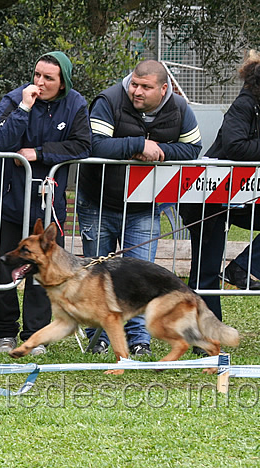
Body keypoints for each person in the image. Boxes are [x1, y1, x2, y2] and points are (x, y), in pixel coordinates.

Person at [78, 59, 202, 356]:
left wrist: (158, 151)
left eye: (145, 87)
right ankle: (99, 338)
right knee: (97, 274)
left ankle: (139, 339)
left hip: (145, 207)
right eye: (134, 84)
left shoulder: (181, 109)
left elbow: (193, 149)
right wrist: (138, 145)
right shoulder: (109, 100)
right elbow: (94, 145)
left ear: (164, 89)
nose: (137, 91)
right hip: (99, 202)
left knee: (140, 277)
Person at [0, 52, 91, 355]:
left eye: (49, 78)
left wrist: (40, 152)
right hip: (8, 201)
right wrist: (24, 107)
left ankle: (36, 333)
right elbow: (1, 141)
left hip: (47, 203)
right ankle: (4, 332)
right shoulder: (14, 99)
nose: (40, 83)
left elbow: (83, 145)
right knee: (3, 267)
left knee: (45, 269)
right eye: (37, 75)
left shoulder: (76, 105)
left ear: (63, 83)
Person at [180, 49, 260, 324]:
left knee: (208, 270)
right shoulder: (245, 105)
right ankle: (204, 333)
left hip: (246, 196)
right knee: (206, 270)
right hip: (210, 195)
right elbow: (235, 146)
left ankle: (244, 268)